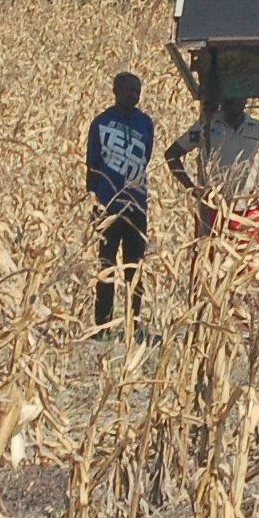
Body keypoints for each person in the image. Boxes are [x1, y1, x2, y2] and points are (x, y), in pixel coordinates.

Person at [165, 94, 259, 238]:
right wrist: (192, 188)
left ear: (246, 99)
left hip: (248, 210)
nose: (234, 100)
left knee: (247, 258)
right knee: (210, 257)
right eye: (230, 95)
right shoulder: (205, 127)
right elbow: (172, 154)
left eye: (238, 95)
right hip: (213, 209)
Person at [84, 72, 154, 328]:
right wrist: (95, 204)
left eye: (137, 90)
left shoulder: (145, 123)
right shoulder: (101, 123)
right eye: (129, 90)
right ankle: (103, 323)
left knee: (134, 267)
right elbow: (92, 165)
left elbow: (146, 157)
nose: (134, 95)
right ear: (115, 91)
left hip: (136, 206)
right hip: (108, 206)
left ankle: (133, 323)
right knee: (106, 265)